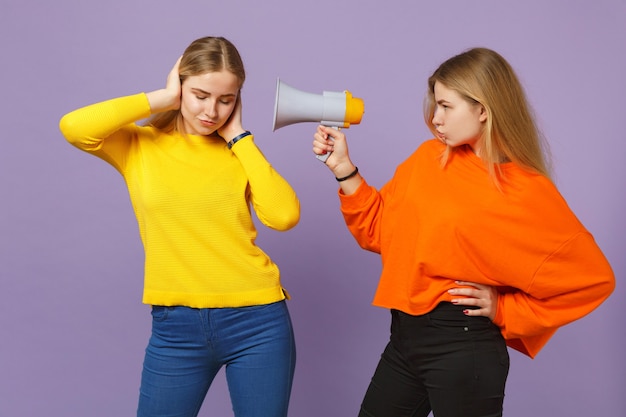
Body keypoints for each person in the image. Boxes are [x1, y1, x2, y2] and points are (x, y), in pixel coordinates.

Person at [312, 47, 615, 417]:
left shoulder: (524, 189)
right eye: (434, 105)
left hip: (463, 346)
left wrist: (506, 307)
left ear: (483, 110)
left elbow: (593, 278)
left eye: (446, 106)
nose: (435, 118)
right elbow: (377, 230)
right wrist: (343, 169)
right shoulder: (427, 159)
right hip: (404, 339)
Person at [60, 36, 300, 417]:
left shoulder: (238, 152)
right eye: (200, 95)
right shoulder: (140, 145)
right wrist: (162, 97)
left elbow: (284, 215)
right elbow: (74, 127)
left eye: (226, 99)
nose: (212, 111)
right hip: (176, 328)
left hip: (257, 322)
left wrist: (240, 137)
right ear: (181, 85)